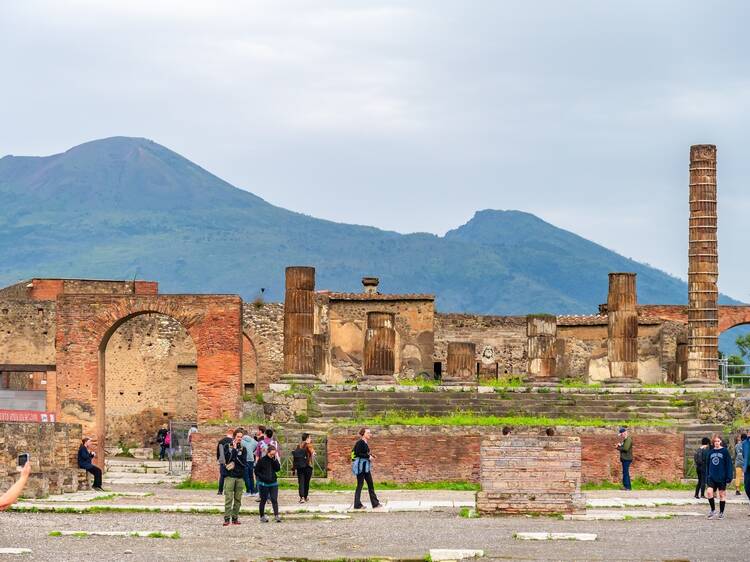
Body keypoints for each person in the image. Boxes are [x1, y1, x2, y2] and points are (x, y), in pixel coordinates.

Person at [221, 428, 248, 526]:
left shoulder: (243, 449)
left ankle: (235, 518)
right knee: (228, 498)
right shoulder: (227, 447)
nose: (239, 439)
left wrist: (236, 454)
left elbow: (243, 463)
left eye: (241, 437)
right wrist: (234, 451)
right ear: (234, 437)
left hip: (240, 477)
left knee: (238, 499)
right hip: (230, 476)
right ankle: (227, 518)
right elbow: (227, 460)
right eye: (238, 437)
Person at [705, 433, 733, 520]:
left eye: (718, 441)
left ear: (720, 441)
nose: (716, 442)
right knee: (709, 492)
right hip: (712, 477)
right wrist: (707, 476)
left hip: (721, 477)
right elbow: (707, 465)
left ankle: (721, 512)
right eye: (715, 441)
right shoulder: (710, 452)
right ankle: (713, 510)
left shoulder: (724, 451)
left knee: (721, 495)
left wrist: (729, 476)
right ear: (713, 442)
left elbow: (729, 464)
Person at [352, 427, 381, 510]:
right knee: (360, 485)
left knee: (370, 484)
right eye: (368, 433)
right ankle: (357, 505)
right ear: (363, 434)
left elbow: (364, 452)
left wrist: (371, 455)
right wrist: (368, 456)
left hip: (366, 467)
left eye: (370, 433)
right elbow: (357, 453)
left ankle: (375, 503)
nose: (370, 434)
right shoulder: (360, 442)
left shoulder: (365, 443)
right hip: (361, 468)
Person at [255, 444, 282, 522]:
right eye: (271, 454)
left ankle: (276, 516)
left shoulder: (274, 459)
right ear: (268, 452)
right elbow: (256, 471)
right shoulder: (261, 460)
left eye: (274, 454)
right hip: (264, 484)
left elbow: (277, 469)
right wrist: (262, 477)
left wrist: (275, 459)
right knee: (263, 500)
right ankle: (262, 516)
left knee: (274, 499)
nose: (272, 455)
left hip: (273, 483)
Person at [292, 433, 315, 503]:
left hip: (299, 466)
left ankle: (301, 497)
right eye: (310, 438)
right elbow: (312, 452)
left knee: (301, 482)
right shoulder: (309, 445)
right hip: (307, 466)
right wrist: (313, 453)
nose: (311, 439)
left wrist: (293, 468)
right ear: (307, 438)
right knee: (306, 482)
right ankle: (305, 496)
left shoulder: (298, 446)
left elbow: (295, 457)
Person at [216, 428, 234, 495]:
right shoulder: (233, 441)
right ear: (232, 434)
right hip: (231, 461)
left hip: (222, 461)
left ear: (227, 433)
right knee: (231, 476)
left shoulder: (221, 441)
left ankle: (220, 491)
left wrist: (219, 459)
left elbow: (218, 452)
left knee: (222, 476)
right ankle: (229, 490)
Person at [240, 430, 258, 497]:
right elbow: (258, 445)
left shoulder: (241, 441)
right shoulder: (253, 440)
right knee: (251, 476)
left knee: (246, 476)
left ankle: (248, 491)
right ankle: (253, 491)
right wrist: (253, 452)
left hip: (245, 459)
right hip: (251, 460)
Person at [616, 427, 633, 491]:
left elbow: (626, 448)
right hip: (625, 458)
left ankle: (628, 487)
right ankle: (626, 486)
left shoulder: (628, 439)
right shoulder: (625, 440)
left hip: (627, 458)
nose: (621, 436)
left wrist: (618, 447)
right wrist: (620, 445)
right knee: (625, 472)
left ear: (624, 433)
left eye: (621, 434)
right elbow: (624, 447)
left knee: (626, 472)